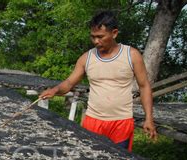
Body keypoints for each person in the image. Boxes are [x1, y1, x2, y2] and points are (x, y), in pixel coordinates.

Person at [40, 10, 157, 152]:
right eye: (93, 37)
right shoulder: (86, 58)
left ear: (114, 33)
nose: (96, 41)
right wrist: (55, 90)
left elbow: (144, 86)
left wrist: (149, 118)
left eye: (100, 37)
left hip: (121, 122)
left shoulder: (131, 55)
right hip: (93, 120)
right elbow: (70, 83)